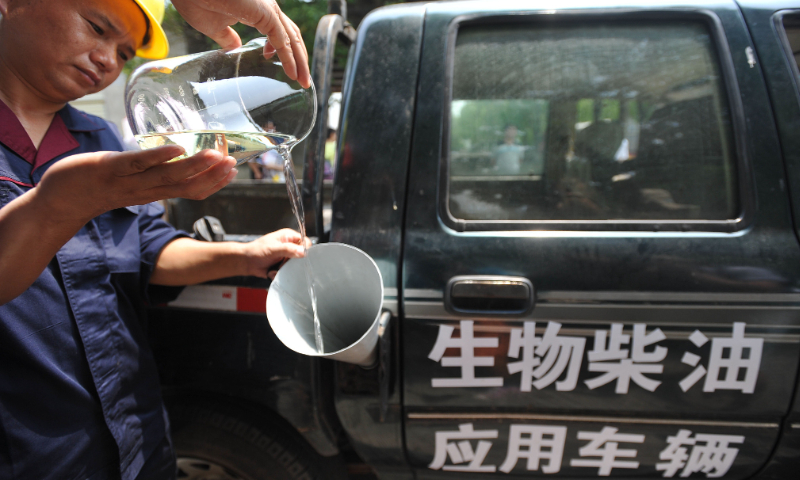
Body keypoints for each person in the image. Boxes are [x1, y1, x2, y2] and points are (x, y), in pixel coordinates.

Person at [0, 0, 310, 478]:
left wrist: (246, 256)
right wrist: (53, 209)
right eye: (97, 27)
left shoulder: (98, 138)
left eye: (124, 53)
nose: (107, 59)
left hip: (132, 438)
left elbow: (146, 246)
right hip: (29, 449)